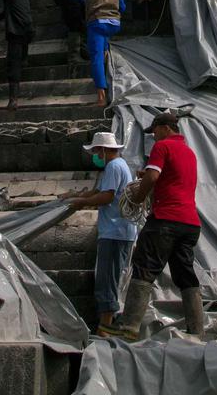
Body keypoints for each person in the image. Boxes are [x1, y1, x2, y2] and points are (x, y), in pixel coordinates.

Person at [99, 112, 203, 341]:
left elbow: (153, 177)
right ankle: (197, 329)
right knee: (185, 274)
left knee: (144, 268)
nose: (153, 136)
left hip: (165, 219)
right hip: (189, 223)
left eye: (154, 131)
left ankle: (129, 327)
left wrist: (138, 197)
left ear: (165, 128)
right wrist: (147, 175)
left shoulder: (162, 147)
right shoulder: (189, 152)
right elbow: (172, 180)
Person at [61, 132, 139, 334]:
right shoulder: (117, 166)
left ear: (104, 150)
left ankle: (105, 327)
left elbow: (106, 197)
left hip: (115, 232)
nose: (95, 155)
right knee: (109, 278)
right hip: (118, 231)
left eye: (96, 151)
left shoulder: (113, 166)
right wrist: (76, 196)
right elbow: (97, 191)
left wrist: (82, 203)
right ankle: (107, 324)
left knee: (107, 280)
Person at [70, 0, 125, 108]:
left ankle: (101, 97)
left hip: (98, 22)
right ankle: (112, 88)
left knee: (96, 58)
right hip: (114, 23)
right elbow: (123, 6)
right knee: (104, 55)